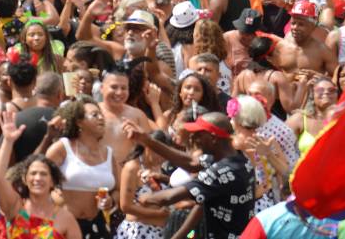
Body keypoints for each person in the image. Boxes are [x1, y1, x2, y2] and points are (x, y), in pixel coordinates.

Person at [123, 113, 255, 239]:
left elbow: (169, 197)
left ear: (213, 138)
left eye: (198, 135)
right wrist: (146, 140)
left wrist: (147, 198)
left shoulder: (222, 172)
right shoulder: (233, 156)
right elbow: (191, 163)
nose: (193, 138)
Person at [0, 113, 81, 239]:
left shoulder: (65, 218)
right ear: (24, 179)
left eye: (44, 174)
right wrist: (8, 141)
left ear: (52, 181)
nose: (38, 178)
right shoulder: (16, 207)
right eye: (33, 173)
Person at [46, 96, 119, 239]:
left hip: (99, 226)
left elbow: (117, 189)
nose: (101, 118)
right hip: (65, 226)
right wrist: (55, 196)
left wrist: (111, 201)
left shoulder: (108, 153)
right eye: (94, 115)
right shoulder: (62, 148)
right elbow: (38, 179)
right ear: (79, 121)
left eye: (101, 115)